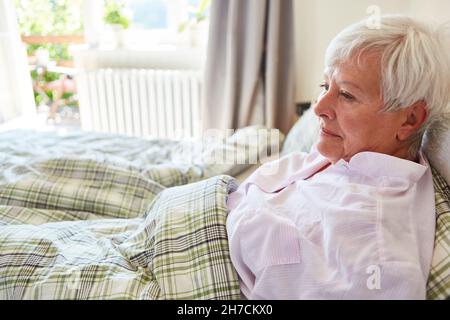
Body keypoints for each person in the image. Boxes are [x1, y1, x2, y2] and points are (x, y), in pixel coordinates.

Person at [226, 15, 450, 299]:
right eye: (324, 87)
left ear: (410, 119)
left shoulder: (376, 255)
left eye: (346, 95)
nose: (318, 107)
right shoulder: (349, 155)